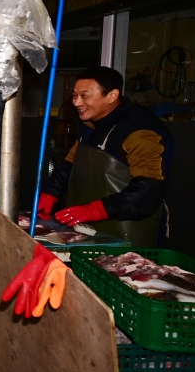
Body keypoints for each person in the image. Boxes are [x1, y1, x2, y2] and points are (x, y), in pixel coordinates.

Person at [38, 66, 174, 248]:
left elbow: (149, 189)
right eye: (74, 95)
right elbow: (70, 163)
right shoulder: (90, 123)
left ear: (112, 96)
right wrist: (50, 192)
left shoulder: (139, 132)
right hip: (86, 228)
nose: (77, 102)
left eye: (85, 96)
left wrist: (96, 210)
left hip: (126, 233)